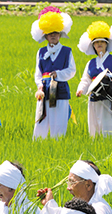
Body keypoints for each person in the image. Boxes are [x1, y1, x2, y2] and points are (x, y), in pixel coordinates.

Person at [75, 21, 112, 136]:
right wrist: (81, 89)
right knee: (93, 127)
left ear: (107, 44)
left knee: (108, 127)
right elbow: (85, 79)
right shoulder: (90, 63)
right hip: (94, 98)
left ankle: (108, 146)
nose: (99, 44)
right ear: (93, 45)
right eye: (96, 42)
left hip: (109, 97)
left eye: (102, 41)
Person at [30, 7, 76, 139]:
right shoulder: (41, 52)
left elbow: (71, 70)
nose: (53, 35)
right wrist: (39, 86)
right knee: (41, 119)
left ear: (60, 34)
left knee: (59, 121)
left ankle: (58, 144)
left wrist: (58, 74)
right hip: (44, 89)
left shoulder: (67, 51)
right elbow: (38, 72)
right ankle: (39, 144)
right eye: (50, 33)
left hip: (60, 89)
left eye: (56, 32)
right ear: (45, 35)